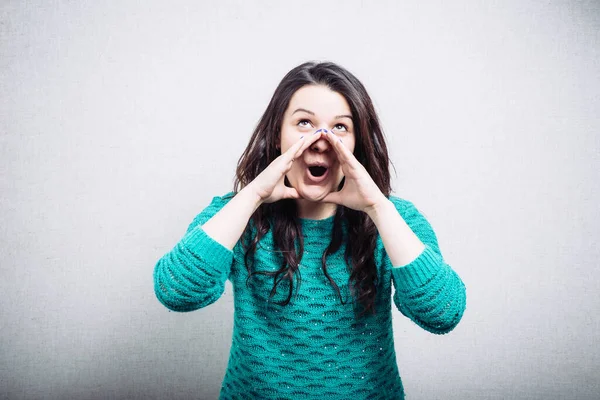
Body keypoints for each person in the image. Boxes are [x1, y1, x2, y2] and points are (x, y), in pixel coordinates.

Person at [153, 61, 467, 399]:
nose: (321, 141)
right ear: (277, 135)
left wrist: (377, 208)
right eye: (305, 122)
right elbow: (176, 291)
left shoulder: (394, 218)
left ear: (357, 141)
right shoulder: (236, 213)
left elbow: (443, 314)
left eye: (340, 127)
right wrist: (253, 196)